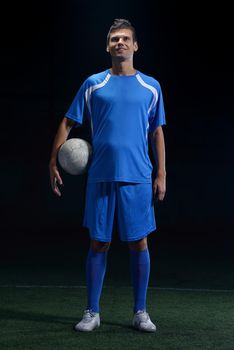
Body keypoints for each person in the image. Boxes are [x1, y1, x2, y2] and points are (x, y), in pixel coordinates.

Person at [49, 18, 166, 332]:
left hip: (139, 176)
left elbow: (156, 132)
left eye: (126, 38)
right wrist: (54, 161)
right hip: (100, 175)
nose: (120, 43)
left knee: (139, 243)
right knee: (99, 243)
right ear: (107, 46)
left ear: (135, 45)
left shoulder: (151, 86)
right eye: (115, 39)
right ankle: (92, 312)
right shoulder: (93, 84)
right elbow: (67, 123)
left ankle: (140, 312)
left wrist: (161, 173)